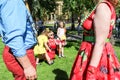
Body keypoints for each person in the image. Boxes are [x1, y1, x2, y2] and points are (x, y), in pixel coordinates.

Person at [70, 0, 120, 80]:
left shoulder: (103, 7)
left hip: (96, 55)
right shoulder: (101, 5)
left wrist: (91, 71)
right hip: (90, 51)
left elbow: (100, 42)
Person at [0, 0, 37, 80]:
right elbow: (14, 35)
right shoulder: (13, 2)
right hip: (21, 51)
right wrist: (27, 66)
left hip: (19, 51)